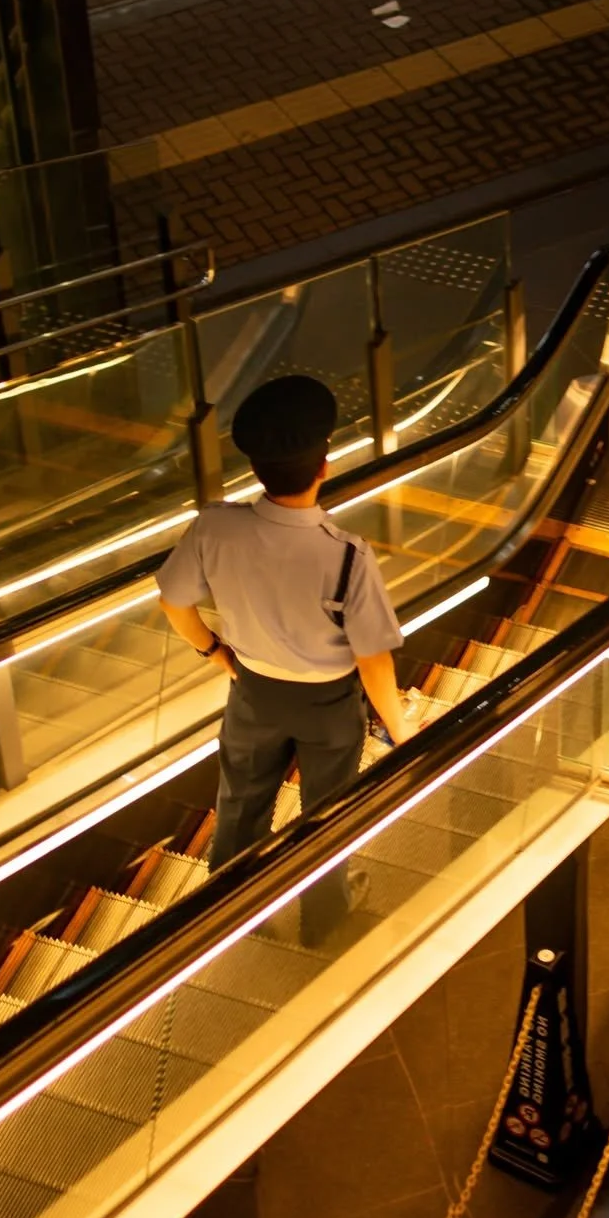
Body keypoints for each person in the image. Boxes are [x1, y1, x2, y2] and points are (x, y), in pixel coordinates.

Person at [156, 374, 417, 946]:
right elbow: (373, 662)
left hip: (252, 693)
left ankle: (228, 921)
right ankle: (323, 920)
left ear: (257, 469)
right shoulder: (347, 556)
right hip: (327, 705)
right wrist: (402, 730)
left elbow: (174, 601)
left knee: (241, 805)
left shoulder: (215, 526)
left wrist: (213, 649)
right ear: (324, 466)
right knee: (326, 813)